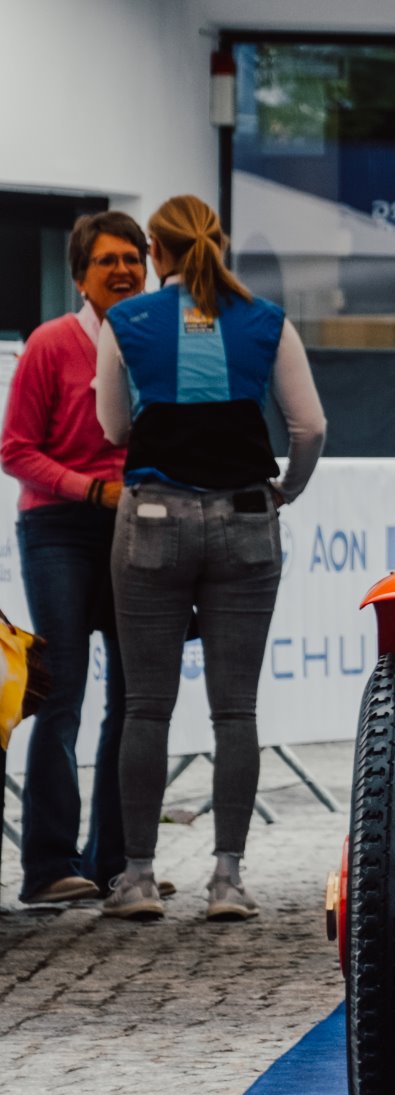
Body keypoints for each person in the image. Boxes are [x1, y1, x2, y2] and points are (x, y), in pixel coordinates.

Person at [93, 194, 326, 922]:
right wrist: (286, 488)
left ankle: (135, 878)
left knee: (145, 706)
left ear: (155, 254)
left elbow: (112, 428)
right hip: (246, 519)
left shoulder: (125, 322)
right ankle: (227, 879)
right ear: (219, 245)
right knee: (235, 710)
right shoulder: (266, 321)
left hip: (154, 519)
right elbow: (309, 424)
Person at [0, 212, 148, 905]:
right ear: (79, 275)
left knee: (132, 698)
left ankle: (119, 864)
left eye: (134, 258)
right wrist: (89, 489)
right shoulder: (49, 344)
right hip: (60, 526)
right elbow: (15, 450)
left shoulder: (158, 341)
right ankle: (49, 865)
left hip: (135, 526)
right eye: (108, 260)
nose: (123, 269)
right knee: (62, 694)